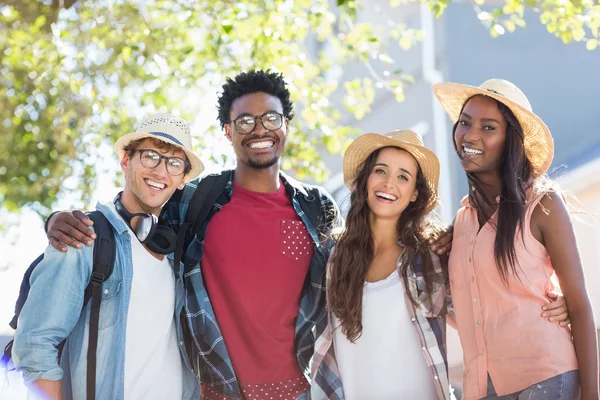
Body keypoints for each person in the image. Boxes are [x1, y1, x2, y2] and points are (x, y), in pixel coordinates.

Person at [44, 70, 341, 399]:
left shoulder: (317, 206)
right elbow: (130, 218)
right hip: (214, 392)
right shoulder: (196, 200)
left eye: (271, 118)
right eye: (245, 121)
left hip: (299, 391)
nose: (259, 129)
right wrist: (58, 220)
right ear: (228, 131)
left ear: (287, 125)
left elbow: (345, 285)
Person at [309, 130, 569, 400]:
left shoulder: (430, 256)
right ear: (366, 180)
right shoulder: (335, 259)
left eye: (402, 177)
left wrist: (556, 301)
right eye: (381, 171)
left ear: (414, 194)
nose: (389, 183)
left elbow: (486, 305)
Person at [12, 113, 203, 399]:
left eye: (174, 162)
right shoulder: (83, 236)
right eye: (151, 156)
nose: (161, 171)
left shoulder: (176, 257)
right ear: (126, 161)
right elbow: (35, 346)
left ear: (182, 180)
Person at [433, 78, 599, 399]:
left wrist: (591, 396)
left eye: (489, 127)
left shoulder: (542, 204)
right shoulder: (462, 222)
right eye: (465, 122)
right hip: (481, 387)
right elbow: (471, 314)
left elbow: (579, 305)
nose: (470, 135)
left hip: (544, 377)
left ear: (511, 140)